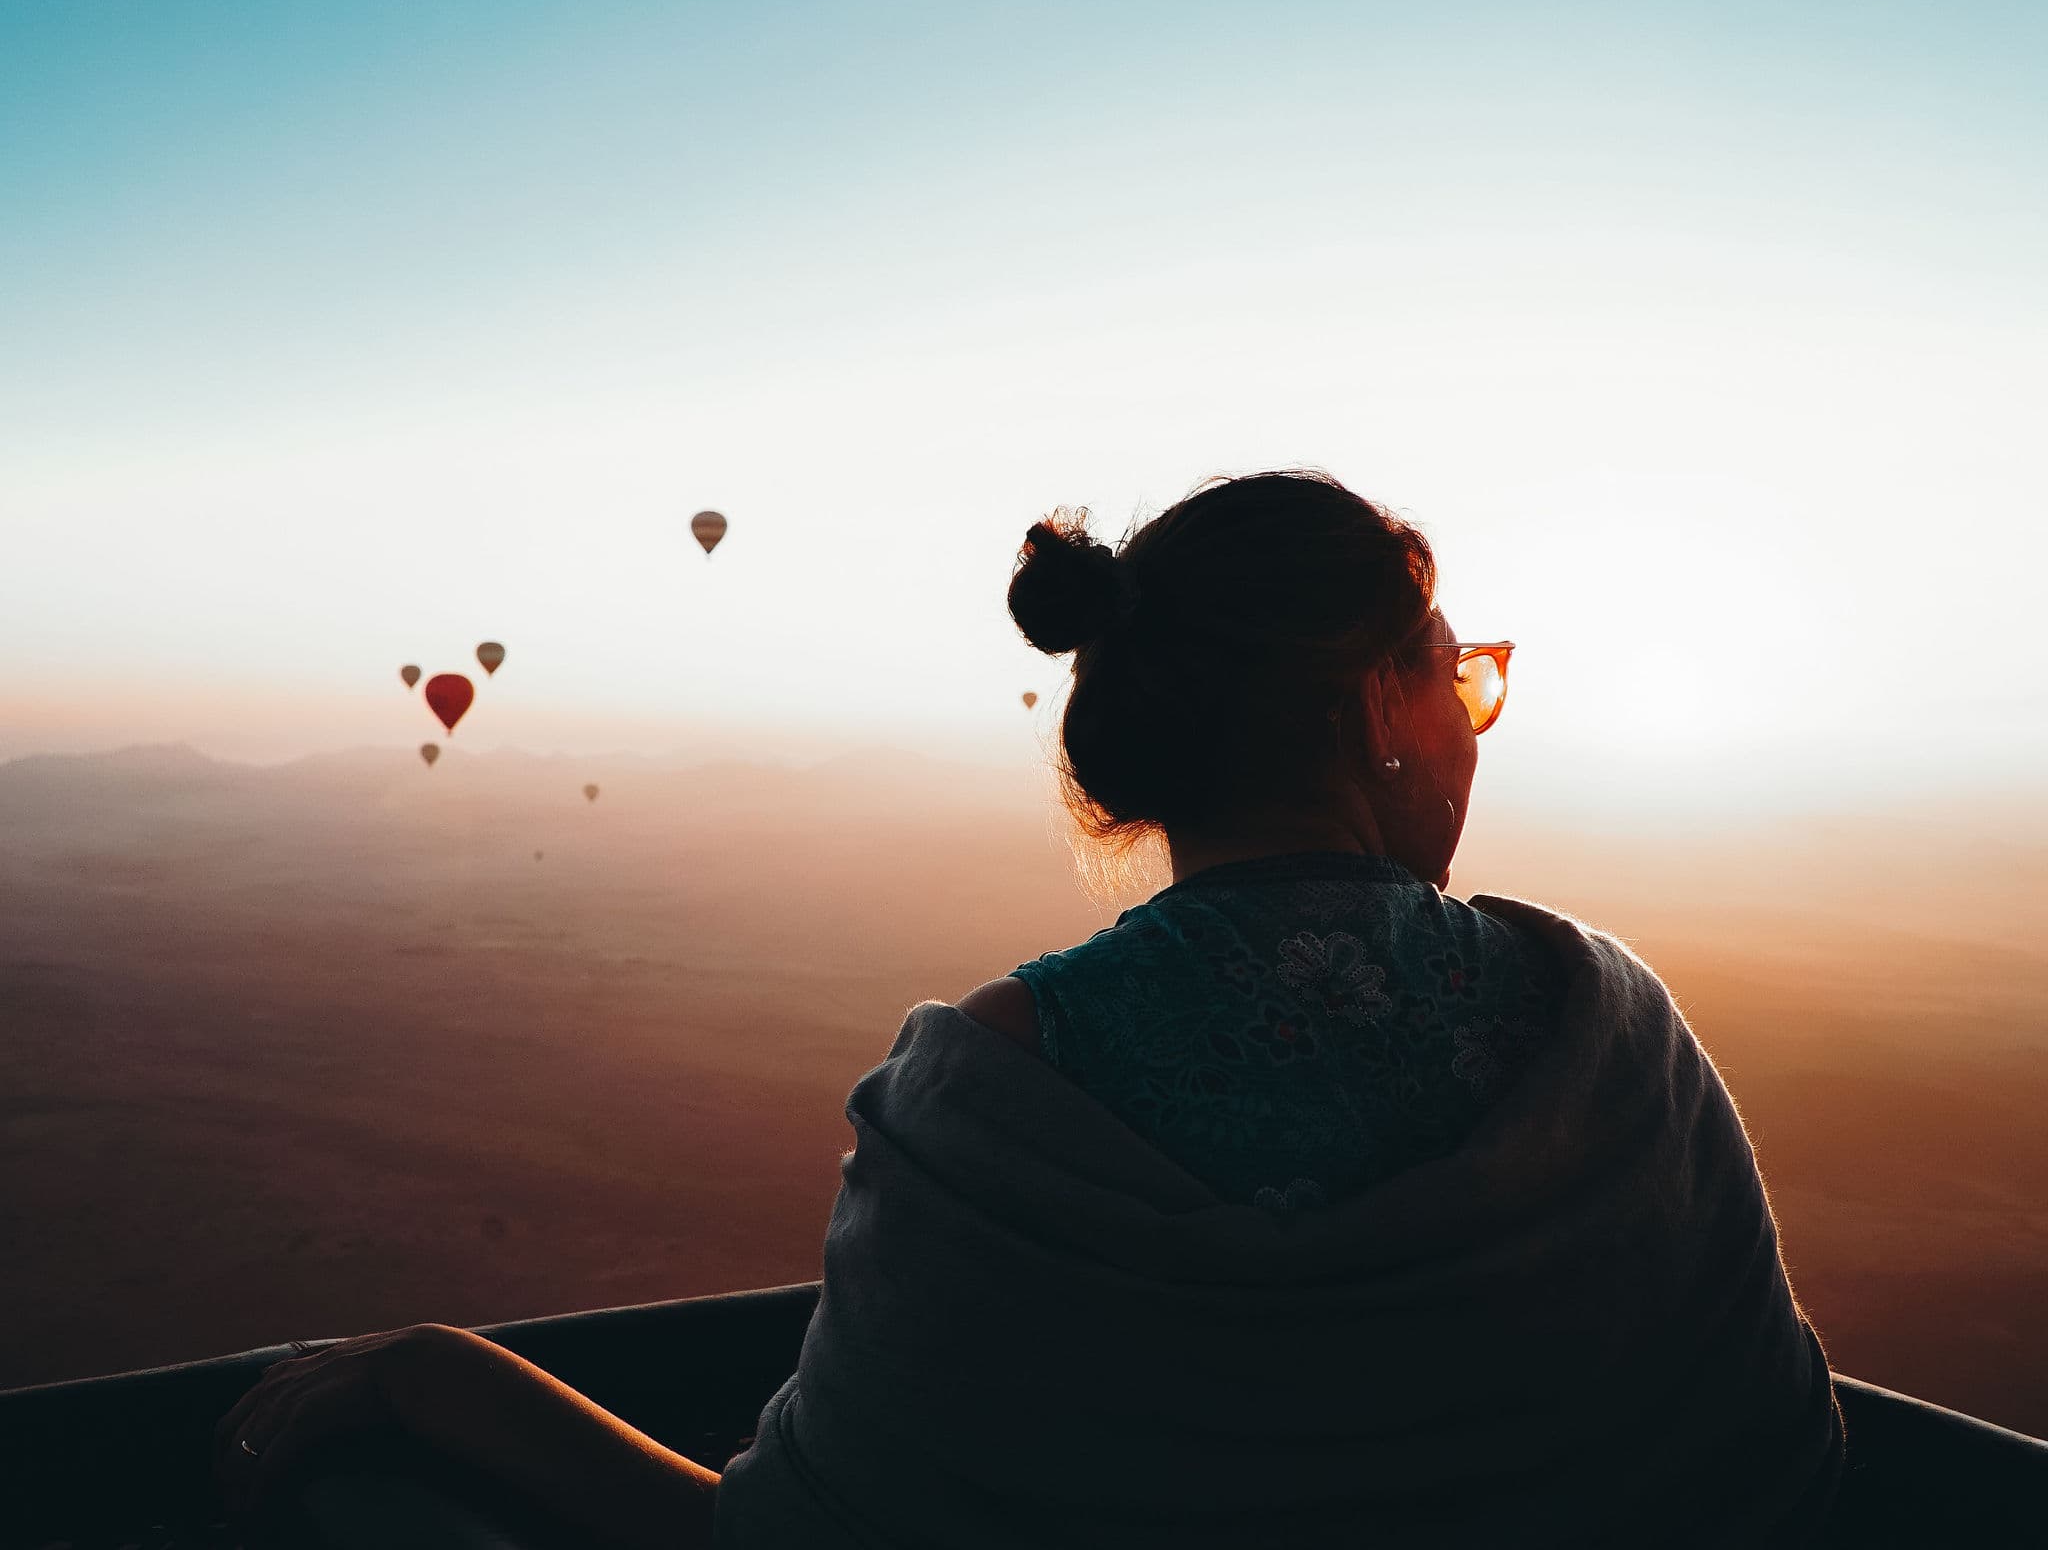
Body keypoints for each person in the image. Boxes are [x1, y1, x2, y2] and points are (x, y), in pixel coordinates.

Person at [217, 469, 1845, 1548]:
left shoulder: (987, 1095)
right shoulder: (1604, 1033)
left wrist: (433, 1376)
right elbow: (1792, 1480)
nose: (1482, 720)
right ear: (1377, 713)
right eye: (1461, 674)